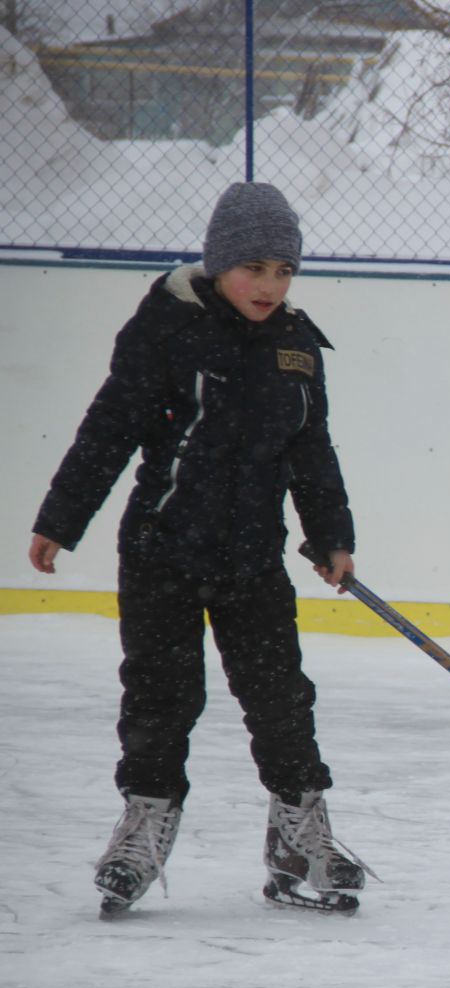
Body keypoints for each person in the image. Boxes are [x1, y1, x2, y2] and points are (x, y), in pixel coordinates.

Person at [28, 181, 369, 916]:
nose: (271, 286)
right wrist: (63, 517)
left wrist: (332, 537)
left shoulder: (296, 345)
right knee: (159, 700)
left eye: (285, 271)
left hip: (253, 560)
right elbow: (110, 426)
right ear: (220, 263)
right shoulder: (168, 329)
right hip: (163, 554)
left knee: (282, 703)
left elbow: (312, 451)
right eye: (256, 269)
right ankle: (143, 826)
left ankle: (298, 833)